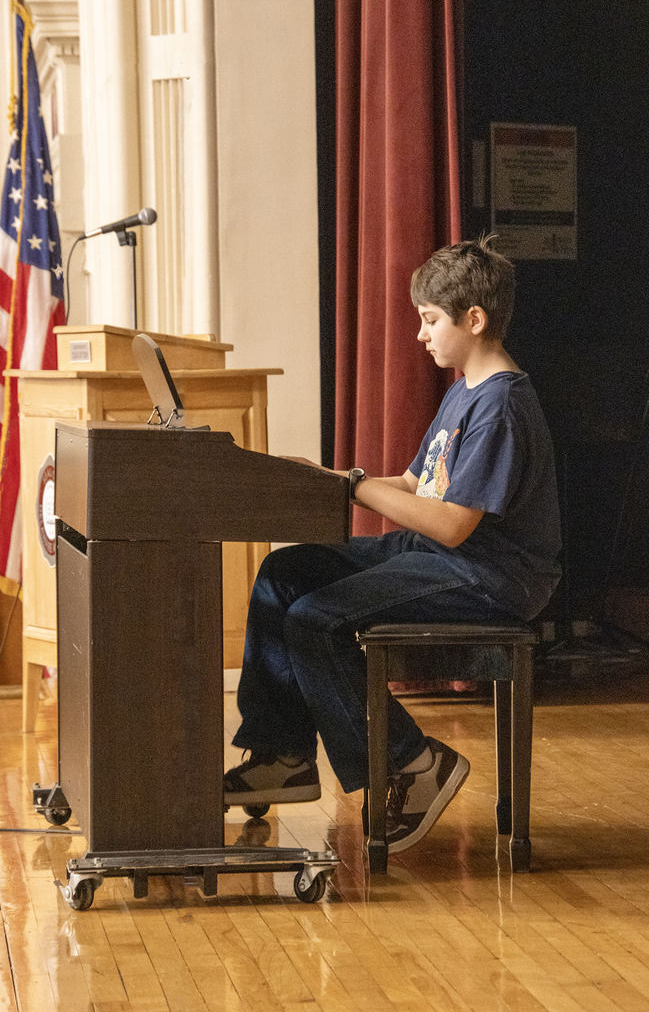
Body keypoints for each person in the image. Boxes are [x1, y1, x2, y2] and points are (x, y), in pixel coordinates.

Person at [224, 235, 561, 855]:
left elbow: (455, 524)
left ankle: (413, 764)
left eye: (430, 320)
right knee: (283, 572)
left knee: (317, 620)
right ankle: (283, 753)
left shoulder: (502, 405)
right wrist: (327, 480)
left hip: (489, 577)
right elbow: (413, 485)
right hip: (445, 558)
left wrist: (353, 488)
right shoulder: (464, 391)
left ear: (475, 320)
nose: (420, 334)